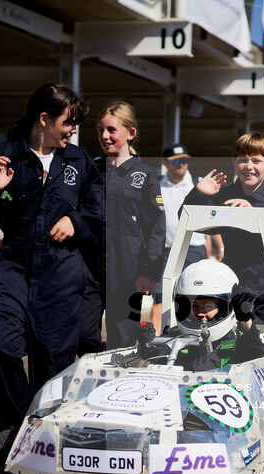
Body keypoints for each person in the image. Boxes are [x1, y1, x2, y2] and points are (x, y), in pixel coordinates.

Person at [0, 82, 103, 474]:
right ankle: (19, 425)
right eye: (67, 123)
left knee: (54, 365)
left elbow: (100, 210)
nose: (72, 131)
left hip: (61, 271)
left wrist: (77, 221)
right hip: (14, 263)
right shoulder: (3, 155)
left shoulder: (80, 162)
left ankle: (43, 444)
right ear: (44, 120)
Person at [182, 132, 264, 324]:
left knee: (262, 345)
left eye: (256, 161)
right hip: (229, 283)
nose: (249, 166)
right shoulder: (224, 194)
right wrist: (198, 194)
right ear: (234, 162)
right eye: (242, 160)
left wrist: (250, 209)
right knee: (227, 345)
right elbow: (185, 217)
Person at [85, 101, 165, 353]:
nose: (104, 136)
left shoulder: (144, 174)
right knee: (81, 333)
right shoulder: (91, 169)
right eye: (100, 130)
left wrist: (150, 271)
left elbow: (156, 227)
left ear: (131, 133)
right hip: (88, 265)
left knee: (123, 336)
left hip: (127, 267)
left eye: (111, 130)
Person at [135, 260, 264, 371]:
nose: (200, 312)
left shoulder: (237, 339)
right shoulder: (179, 336)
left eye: (208, 306)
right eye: (194, 306)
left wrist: (245, 318)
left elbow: (256, 353)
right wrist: (146, 342)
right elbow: (156, 357)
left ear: (226, 306)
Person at [150, 142, 213, 334]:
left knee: (195, 297)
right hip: (166, 251)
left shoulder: (199, 184)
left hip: (194, 250)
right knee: (161, 296)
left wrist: (217, 248)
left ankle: (196, 338)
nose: (181, 164)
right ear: (165, 163)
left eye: (184, 160)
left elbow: (210, 218)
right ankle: (154, 343)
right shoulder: (155, 185)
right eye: (176, 161)